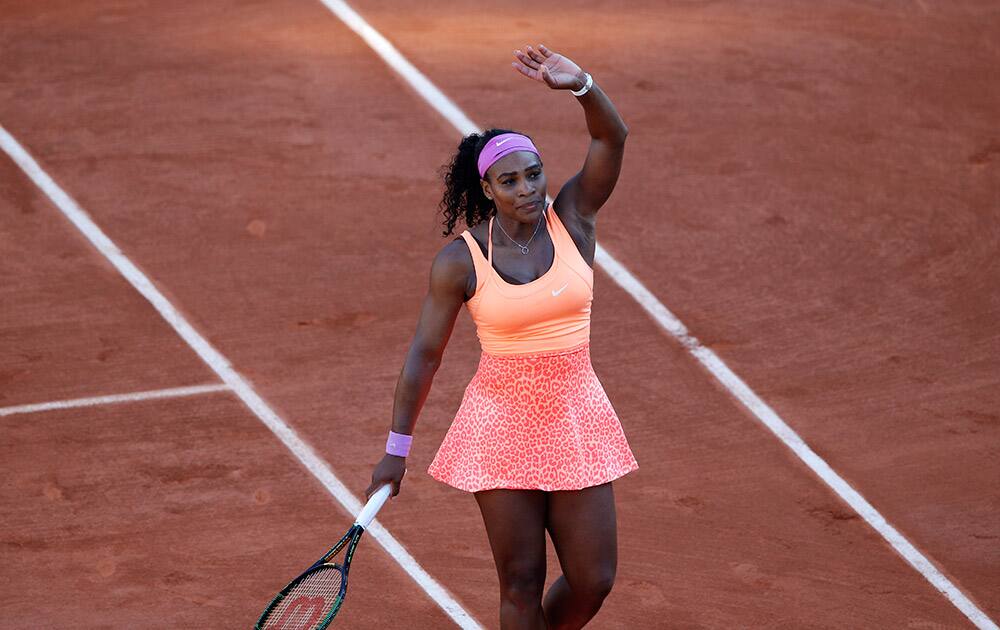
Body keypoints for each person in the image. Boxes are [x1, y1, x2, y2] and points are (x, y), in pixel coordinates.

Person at [366, 43, 637, 629]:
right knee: (519, 583)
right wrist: (396, 450)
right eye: (509, 180)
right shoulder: (459, 262)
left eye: (534, 174)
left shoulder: (575, 221)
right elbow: (423, 357)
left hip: (574, 416)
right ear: (488, 190)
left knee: (594, 578)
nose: (528, 189)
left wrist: (582, 85)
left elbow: (610, 140)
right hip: (501, 425)